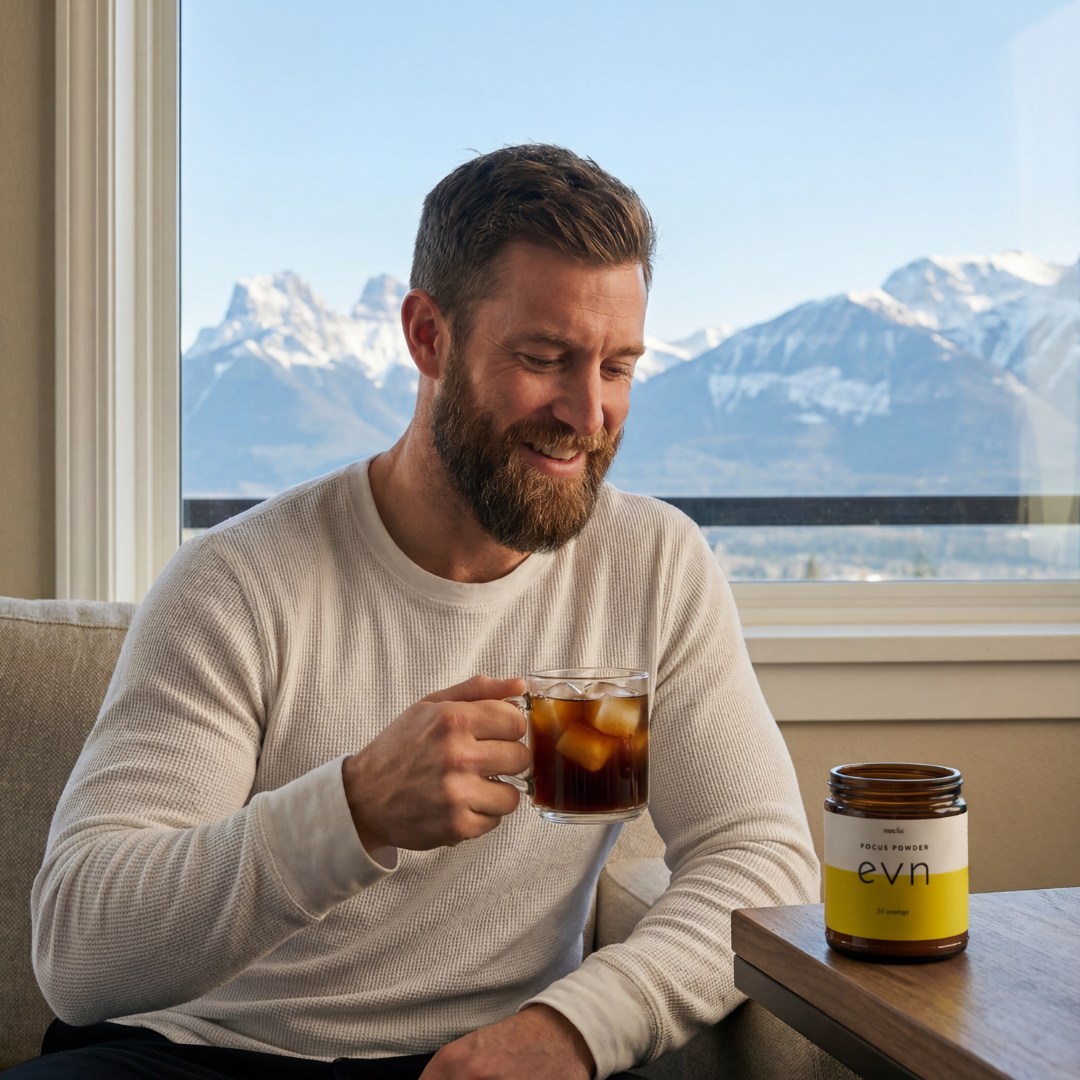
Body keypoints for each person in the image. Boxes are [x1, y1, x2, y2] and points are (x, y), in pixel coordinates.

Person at [22, 145, 818, 1080]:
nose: (589, 412)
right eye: (545, 359)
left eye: (618, 367)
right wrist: (354, 808)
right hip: (199, 1055)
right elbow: (78, 954)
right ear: (429, 336)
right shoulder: (235, 581)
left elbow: (758, 856)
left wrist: (576, 1029)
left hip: (492, 1062)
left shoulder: (654, 566)